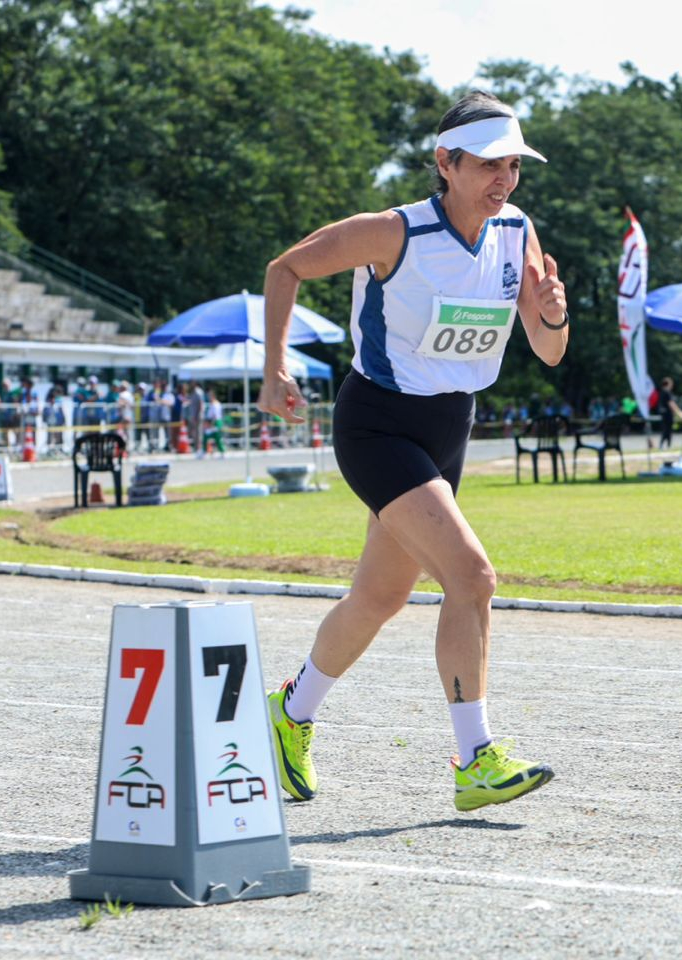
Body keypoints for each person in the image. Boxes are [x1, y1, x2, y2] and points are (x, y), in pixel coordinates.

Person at [257, 91, 565, 812]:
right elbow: (284, 268)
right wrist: (274, 369)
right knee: (472, 576)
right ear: (445, 163)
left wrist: (553, 315)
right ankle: (476, 758)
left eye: (514, 165)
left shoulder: (516, 231)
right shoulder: (394, 232)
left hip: (448, 427)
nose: (504, 179)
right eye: (488, 164)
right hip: (379, 425)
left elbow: (549, 351)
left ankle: (289, 715)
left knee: (379, 596)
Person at [655, 376, 682, 450]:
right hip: (667, 414)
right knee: (668, 430)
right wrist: (679, 412)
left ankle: (664, 445)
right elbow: (671, 403)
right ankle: (667, 446)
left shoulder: (662, 392)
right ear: (668, 384)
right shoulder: (667, 392)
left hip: (663, 413)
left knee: (665, 430)